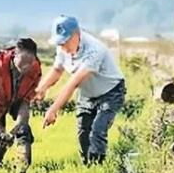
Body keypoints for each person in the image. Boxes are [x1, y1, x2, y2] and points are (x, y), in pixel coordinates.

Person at [36, 16, 125, 165]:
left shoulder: (95, 50)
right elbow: (57, 71)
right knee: (83, 133)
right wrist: (41, 88)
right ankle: (87, 166)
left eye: (65, 42)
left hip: (110, 93)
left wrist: (53, 109)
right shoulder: (62, 47)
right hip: (87, 94)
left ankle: (98, 167)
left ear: (77, 34)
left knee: (97, 131)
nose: (63, 47)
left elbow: (73, 83)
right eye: (60, 43)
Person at [0, 38, 42, 173]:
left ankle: (23, 168)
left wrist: (19, 124)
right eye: (22, 62)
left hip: (18, 100)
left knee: (24, 131)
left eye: (29, 63)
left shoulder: (35, 68)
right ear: (14, 54)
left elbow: (26, 101)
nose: (26, 67)